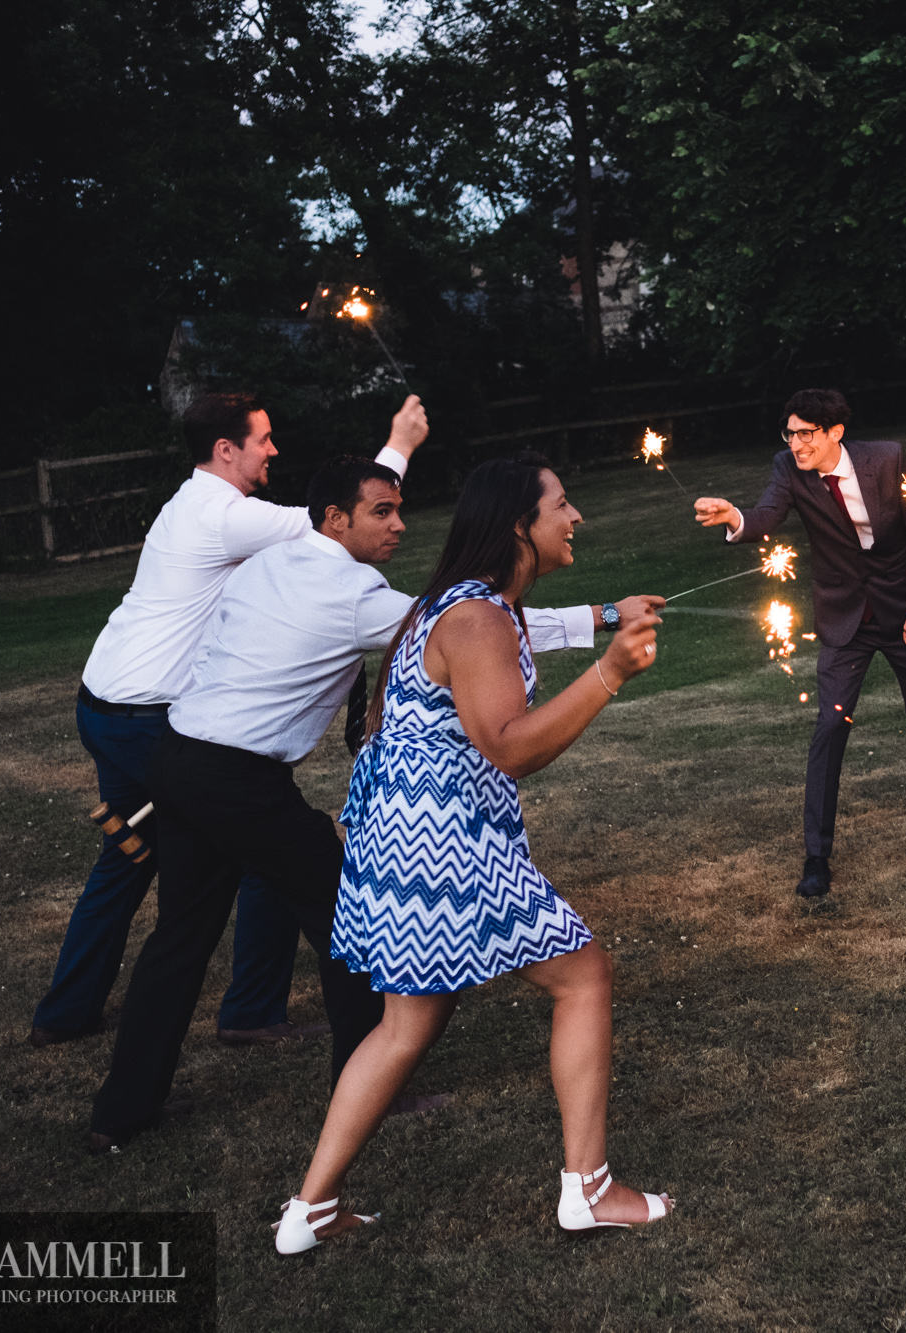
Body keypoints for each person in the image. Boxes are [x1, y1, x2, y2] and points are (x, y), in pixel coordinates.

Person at [89, 455, 634, 1151]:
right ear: (334, 518)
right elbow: (469, 628)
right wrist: (606, 615)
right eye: (381, 513)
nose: (398, 526)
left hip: (179, 756)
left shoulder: (268, 562)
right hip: (237, 777)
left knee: (180, 936)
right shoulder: (355, 595)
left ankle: (121, 1112)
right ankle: (372, 1075)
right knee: (353, 918)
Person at [274, 456, 669, 1253]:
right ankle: (588, 1189)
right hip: (442, 844)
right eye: (563, 502)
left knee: (404, 1025)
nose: (576, 515)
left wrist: (601, 620)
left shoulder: (472, 607)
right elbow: (511, 747)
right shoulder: (477, 618)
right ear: (520, 523)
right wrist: (609, 671)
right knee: (582, 972)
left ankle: (308, 1212)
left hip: (405, 840)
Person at [33, 391, 425, 1050]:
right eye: (263, 439)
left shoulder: (189, 505)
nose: (273, 449)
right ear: (226, 450)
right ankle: (250, 1010)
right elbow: (328, 525)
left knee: (130, 855)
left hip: (105, 702)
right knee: (261, 843)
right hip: (153, 715)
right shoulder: (223, 516)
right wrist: (400, 447)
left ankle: (66, 1012)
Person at [694, 389, 906, 900]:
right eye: (790, 434)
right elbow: (764, 517)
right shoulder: (788, 468)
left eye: (806, 434)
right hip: (844, 620)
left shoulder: (890, 458)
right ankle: (816, 856)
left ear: (835, 432)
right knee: (828, 728)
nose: (796, 444)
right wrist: (734, 516)